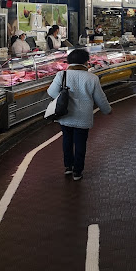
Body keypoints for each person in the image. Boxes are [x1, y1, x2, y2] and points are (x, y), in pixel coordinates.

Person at [47, 49, 111, 181]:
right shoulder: (92, 78)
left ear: (69, 61)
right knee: (81, 143)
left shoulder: (62, 75)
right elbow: (100, 98)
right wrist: (107, 110)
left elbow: (51, 92)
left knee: (67, 141)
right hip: (83, 117)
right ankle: (78, 171)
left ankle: (68, 167)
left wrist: (63, 99)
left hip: (66, 115)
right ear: (85, 62)